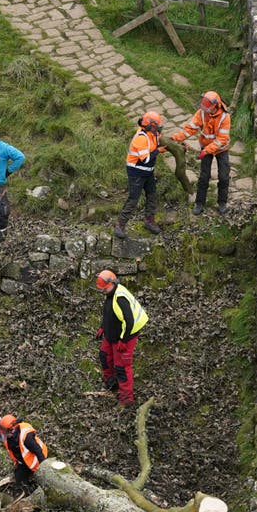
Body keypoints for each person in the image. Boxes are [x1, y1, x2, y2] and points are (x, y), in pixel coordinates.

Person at [171, 91, 231, 215]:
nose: (205, 110)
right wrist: (174, 139)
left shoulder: (225, 117)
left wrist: (206, 151)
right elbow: (190, 129)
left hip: (221, 149)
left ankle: (222, 203)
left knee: (224, 177)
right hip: (205, 147)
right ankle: (199, 203)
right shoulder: (202, 113)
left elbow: (222, 139)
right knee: (204, 176)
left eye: (207, 108)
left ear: (216, 106)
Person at [95, 269, 148, 406]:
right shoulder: (110, 294)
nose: (103, 291)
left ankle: (126, 399)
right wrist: (103, 326)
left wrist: (123, 340)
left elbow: (129, 321)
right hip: (111, 333)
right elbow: (109, 312)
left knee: (122, 367)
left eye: (105, 288)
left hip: (125, 335)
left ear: (112, 283)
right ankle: (111, 383)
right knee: (104, 356)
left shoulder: (120, 298)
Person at [113, 111, 166, 238]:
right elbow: (146, 159)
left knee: (152, 195)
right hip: (136, 172)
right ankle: (120, 224)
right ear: (150, 125)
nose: (158, 129)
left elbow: (161, 143)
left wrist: (178, 145)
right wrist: (158, 151)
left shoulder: (153, 134)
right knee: (133, 199)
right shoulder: (141, 138)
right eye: (156, 126)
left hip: (148, 171)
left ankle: (149, 221)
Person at [0, 413, 49, 485]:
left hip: (35, 460)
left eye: (4, 432)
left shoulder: (26, 437)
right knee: (19, 480)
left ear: (12, 430)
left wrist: (44, 467)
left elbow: (38, 451)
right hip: (23, 461)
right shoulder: (5, 433)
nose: (2, 434)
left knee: (40, 480)